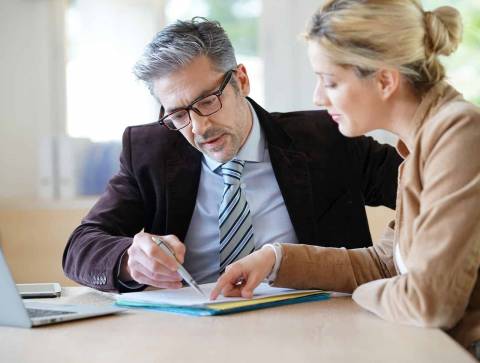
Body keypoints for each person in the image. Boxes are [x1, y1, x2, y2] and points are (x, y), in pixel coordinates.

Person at [211, 0, 480, 355]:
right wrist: (275, 258)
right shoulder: (422, 144)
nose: (318, 98)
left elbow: (427, 302)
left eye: (331, 82)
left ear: (385, 80)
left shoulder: (459, 134)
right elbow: (386, 263)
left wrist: (364, 293)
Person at [62, 17, 401, 294]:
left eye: (208, 101)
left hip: (315, 325)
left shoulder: (326, 137)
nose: (199, 127)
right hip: (193, 329)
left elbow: (428, 189)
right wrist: (128, 260)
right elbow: (81, 246)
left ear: (242, 80)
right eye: (179, 115)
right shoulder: (150, 151)